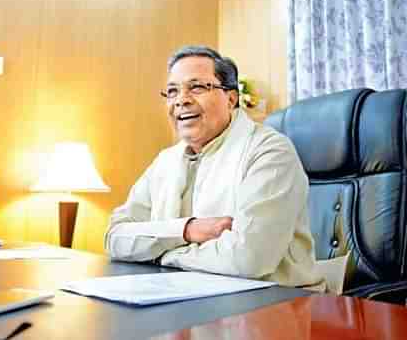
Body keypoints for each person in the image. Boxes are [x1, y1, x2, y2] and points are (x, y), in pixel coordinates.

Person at [105, 45, 333, 291]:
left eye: (197, 87)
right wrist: (187, 230)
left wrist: (162, 254)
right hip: (188, 295)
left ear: (231, 99)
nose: (181, 100)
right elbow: (114, 237)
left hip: (277, 303)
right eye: (172, 91)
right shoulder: (165, 161)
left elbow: (248, 259)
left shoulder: (269, 151)